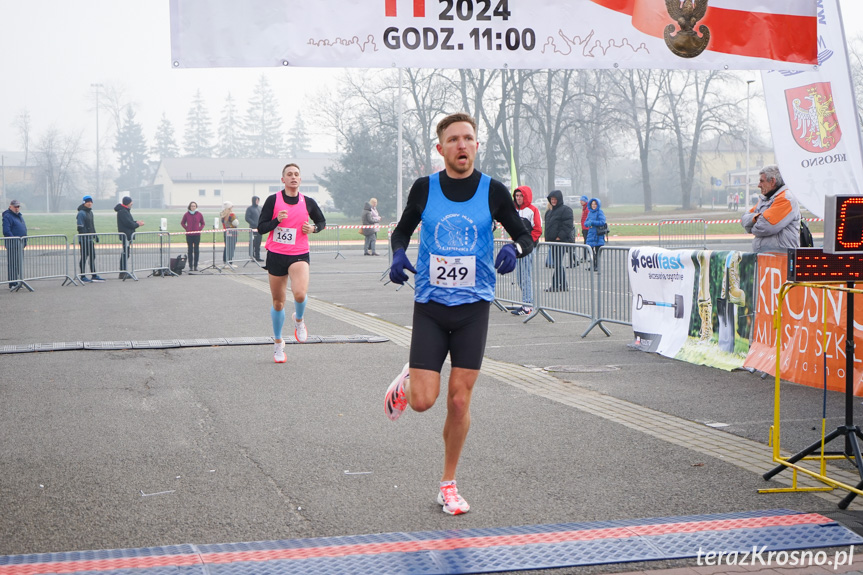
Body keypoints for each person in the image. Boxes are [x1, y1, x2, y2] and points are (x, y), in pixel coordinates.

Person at [384, 112, 533, 516]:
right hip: (431, 307)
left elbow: (524, 234)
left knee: (460, 402)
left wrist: (514, 250)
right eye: (453, 139)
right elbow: (401, 231)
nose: (462, 145)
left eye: (468, 138)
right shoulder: (424, 188)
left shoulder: (493, 191)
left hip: (473, 309)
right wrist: (398, 253)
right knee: (422, 403)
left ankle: (447, 484)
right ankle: (410, 379)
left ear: (476, 145)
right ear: (441, 148)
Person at [257, 163, 327, 362]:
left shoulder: (308, 202)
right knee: (279, 303)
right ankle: (278, 344)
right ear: (283, 180)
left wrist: (313, 229)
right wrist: (276, 221)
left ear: (300, 179)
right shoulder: (273, 200)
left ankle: (299, 320)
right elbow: (261, 228)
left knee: (300, 293)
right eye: (289, 174)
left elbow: (322, 222)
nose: (293, 177)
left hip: (299, 253)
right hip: (277, 255)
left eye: (296, 174)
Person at [741, 164, 801, 253]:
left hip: (780, 260)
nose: (759, 185)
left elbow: (764, 228)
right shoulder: (765, 199)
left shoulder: (786, 199)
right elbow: (744, 219)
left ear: (772, 181)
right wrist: (756, 218)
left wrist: (752, 227)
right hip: (765, 258)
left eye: (762, 181)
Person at [511, 185, 542, 316]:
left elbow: (538, 230)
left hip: (528, 248)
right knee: (519, 278)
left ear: (526, 196)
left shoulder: (533, 210)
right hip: (517, 248)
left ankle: (528, 305)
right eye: (516, 196)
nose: (518, 198)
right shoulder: (513, 210)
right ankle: (527, 302)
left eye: (521, 196)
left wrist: (527, 243)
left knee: (526, 277)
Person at [544, 190, 574, 291]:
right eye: (552, 199)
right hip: (552, 242)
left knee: (557, 263)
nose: (553, 201)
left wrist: (559, 237)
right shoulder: (549, 212)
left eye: (555, 199)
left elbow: (568, 225)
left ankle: (556, 285)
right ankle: (563, 285)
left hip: (560, 242)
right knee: (557, 264)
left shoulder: (566, 210)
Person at [76, 195, 106, 283]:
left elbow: (92, 225)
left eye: (90, 202)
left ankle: (94, 275)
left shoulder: (90, 212)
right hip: (84, 239)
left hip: (90, 239)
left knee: (92, 257)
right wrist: (84, 237)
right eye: (87, 202)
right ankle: (82, 276)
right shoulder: (81, 213)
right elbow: (80, 227)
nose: (89, 203)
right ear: (84, 203)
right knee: (84, 257)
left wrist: (95, 235)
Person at [115, 196, 143, 279]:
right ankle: (122, 272)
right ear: (128, 203)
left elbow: (129, 221)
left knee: (126, 253)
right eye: (131, 202)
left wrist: (135, 222)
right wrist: (138, 224)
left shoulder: (125, 211)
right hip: (126, 235)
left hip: (127, 234)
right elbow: (128, 224)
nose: (132, 203)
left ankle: (124, 271)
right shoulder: (123, 211)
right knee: (125, 253)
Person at [2, 199, 27, 290]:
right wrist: (15, 240)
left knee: (19, 264)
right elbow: (6, 231)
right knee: (13, 264)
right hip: (13, 244)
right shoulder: (8, 216)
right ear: (10, 206)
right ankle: (12, 283)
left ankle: (18, 281)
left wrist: (24, 240)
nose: (17, 208)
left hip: (20, 244)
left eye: (18, 206)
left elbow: (23, 228)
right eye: (15, 206)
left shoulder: (19, 216)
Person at [181, 201, 206, 271]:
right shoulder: (186, 214)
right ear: (190, 207)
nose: (193, 207)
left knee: (196, 250)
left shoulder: (199, 214)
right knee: (190, 250)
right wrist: (187, 228)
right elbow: (182, 223)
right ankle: (190, 266)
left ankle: (195, 266)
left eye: (194, 206)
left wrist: (199, 229)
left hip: (197, 235)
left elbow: (203, 223)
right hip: (189, 235)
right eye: (192, 206)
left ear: (196, 207)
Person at [583, 198, 607, 271]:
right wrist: (588, 224)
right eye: (592, 204)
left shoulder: (600, 212)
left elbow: (602, 222)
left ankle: (597, 266)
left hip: (598, 235)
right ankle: (593, 265)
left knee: (597, 251)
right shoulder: (590, 213)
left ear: (598, 205)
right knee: (590, 251)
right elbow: (586, 223)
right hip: (591, 234)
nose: (593, 206)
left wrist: (592, 222)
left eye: (595, 204)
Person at [245, 196, 263, 262]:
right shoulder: (249, 209)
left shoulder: (260, 208)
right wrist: (254, 224)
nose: (257, 202)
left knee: (258, 243)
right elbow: (247, 218)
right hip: (253, 229)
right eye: (256, 200)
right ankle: (252, 256)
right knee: (253, 243)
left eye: (258, 200)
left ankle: (257, 256)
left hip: (259, 229)